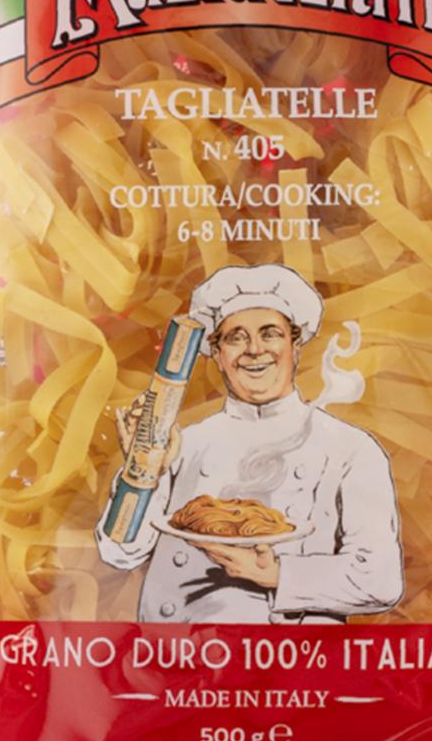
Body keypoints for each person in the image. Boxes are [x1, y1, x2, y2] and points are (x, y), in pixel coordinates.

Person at [95, 264, 403, 623]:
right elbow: (119, 553)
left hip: (292, 656)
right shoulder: (184, 445)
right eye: (235, 338)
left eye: (270, 334)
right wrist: (143, 470)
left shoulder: (351, 448)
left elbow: (381, 580)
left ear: (295, 345)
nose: (254, 350)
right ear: (218, 355)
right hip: (180, 653)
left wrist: (276, 574)